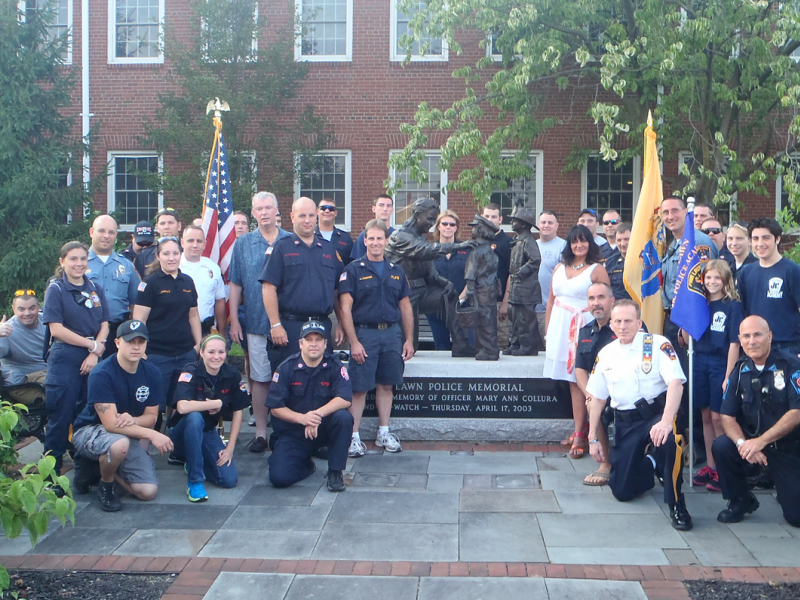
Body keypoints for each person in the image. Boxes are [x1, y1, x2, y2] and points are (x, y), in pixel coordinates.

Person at [586, 300, 693, 531]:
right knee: (622, 491)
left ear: (639, 322)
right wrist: (592, 436)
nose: (622, 326)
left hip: (655, 416)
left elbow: (676, 383)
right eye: (618, 321)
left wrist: (665, 422)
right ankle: (652, 462)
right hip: (625, 424)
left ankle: (676, 504)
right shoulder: (606, 354)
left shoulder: (657, 345)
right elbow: (597, 398)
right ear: (611, 324)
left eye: (628, 321)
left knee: (669, 441)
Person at [71, 320, 173, 511]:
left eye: (141, 342)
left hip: (127, 431)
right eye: (130, 342)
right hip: (90, 429)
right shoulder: (102, 373)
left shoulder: (153, 373)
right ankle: (106, 483)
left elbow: (151, 417)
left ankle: (95, 470)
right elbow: (110, 424)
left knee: (147, 492)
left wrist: (134, 420)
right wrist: (152, 435)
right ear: (117, 343)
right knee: (119, 445)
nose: (136, 347)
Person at [712, 316, 800, 527]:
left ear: (769, 336)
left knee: (796, 518)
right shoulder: (740, 369)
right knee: (723, 446)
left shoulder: (791, 366)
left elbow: (796, 412)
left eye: (758, 334)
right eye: (747, 336)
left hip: (787, 447)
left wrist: (761, 441)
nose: (752, 341)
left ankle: (787, 491)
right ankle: (741, 500)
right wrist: (743, 445)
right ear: (740, 340)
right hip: (753, 444)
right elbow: (727, 416)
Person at [339, 219, 415, 457]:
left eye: (379, 238)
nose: (375, 242)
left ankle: (383, 432)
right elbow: (345, 309)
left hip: (391, 335)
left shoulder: (396, 271)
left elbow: (405, 308)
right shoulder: (353, 270)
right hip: (365, 334)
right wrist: (354, 342)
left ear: (386, 241)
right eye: (370, 238)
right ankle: (353, 437)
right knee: (359, 388)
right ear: (365, 241)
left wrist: (409, 339)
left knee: (386, 384)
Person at [229, 192, 291, 451]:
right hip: (255, 322)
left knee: (289, 378)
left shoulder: (291, 240)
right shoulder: (243, 244)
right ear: (253, 213)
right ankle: (261, 433)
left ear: (277, 210)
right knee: (260, 378)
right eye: (259, 209)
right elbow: (235, 284)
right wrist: (234, 320)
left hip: (288, 323)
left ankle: (287, 431)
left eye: (268, 208)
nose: (264, 212)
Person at [42, 241, 109, 476]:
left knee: (88, 415)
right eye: (73, 259)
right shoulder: (56, 289)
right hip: (66, 356)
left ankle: (84, 471)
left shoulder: (95, 289)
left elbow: (104, 324)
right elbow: (56, 330)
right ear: (62, 262)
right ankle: (51, 474)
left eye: (83, 258)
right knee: (61, 416)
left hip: (93, 356)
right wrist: (91, 345)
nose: (79, 263)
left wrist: (94, 352)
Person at [544, 225, 610, 459]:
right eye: (574, 241)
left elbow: (606, 301)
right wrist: (548, 332)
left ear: (590, 243)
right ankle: (579, 429)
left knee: (581, 380)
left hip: (585, 327)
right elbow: (551, 301)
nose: (578, 245)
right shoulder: (560, 268)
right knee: (568, 381)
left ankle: (583, 434)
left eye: (583, 241)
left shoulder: (596, 269)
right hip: (560, 328)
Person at [266, 321, 353, 492]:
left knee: (344, 417)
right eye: (309, 339)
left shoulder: (335, 366)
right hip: (295, 432)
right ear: (300, 344)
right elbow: (275, 407)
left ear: (325, 344)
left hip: (324, 430)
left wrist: (316, 415)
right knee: (279, 478)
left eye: (318, 340)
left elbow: (345, 398)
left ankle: (335, 471)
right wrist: (302, 419)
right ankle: (306, 463)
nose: (314, 344)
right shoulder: (285, 368)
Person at [261, 196, 344, 371]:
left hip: (322, 326)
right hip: (291, 328)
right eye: (302, 216)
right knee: (290, 381)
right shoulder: (281, 248)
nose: (307, 220)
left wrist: (341, 324)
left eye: (311, 216)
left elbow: (336, 291)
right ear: (292, 217)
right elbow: (268, 287)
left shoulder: (328, 249)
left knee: (323, 379)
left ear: (316, 217)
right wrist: (275, 325)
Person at [384, 197, 474, 351]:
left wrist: (446, 283)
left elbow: (430, 273)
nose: (432, 224)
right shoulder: (401, 237)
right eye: (430, 219)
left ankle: (461, 345)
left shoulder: (420, 238)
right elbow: (425, 250)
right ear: (417, 215)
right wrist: (459, 246)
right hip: (403, 295)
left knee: (449, 294)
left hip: (422, 292)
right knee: (408, 346)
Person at [168, 334, 249, 502]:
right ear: (201, 353)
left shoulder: (231, 374)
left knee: (228, 480)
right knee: (195, 417)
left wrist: (230, 448)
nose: (216, 357)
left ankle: (195, 460)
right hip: (180, 434)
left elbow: (238, 410)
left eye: (221, 352)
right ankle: (195, 481)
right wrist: (216, 403)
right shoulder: (190, 370)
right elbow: (182, 406)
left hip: (207, 431)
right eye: (211, 352)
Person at [688, 260, 744, 492]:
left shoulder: (732, 305)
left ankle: (724, 469)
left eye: (716, 278)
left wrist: (728, 375)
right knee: (705, 416)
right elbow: (687, 336)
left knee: (719, 417)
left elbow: (734, 343)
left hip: (720, 362)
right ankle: (711, 466)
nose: (711, 282)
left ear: (725, 280)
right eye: (708, 278)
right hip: (699, 360)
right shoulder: (699, 303)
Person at [132, 237, 202, 416]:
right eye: (166, 253)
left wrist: (198, 344)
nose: (171, 258)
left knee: (181, 406)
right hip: (158, 355)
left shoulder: (188, 281)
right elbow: (139, 320)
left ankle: (174, 441)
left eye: (175, 253)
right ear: (158, 256)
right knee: (155, 407)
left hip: (185, 353)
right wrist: (141, 350)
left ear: (181, 255)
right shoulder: (149, 283)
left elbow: (193, 315)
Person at [738, 218, 800, 355]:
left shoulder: (793, 271)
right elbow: (743, 312)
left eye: (766, 238)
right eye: (755, 238)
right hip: (755, 347)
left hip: (786, 347)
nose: (760, 244)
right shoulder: (746, 272)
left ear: (777, 239)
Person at [575, 282, 617, 486]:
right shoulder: (585, 332)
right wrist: (589, 394)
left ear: (612, 301)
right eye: (591, 299)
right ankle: (605, 463)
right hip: (600, 394)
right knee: (594, 404)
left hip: (624, 392)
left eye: (601, 298)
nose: (596, 303)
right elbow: (580, 369)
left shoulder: (623, 327)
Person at [86, 215, 141, 359]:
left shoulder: (126, 265)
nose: (106, 236)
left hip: (117, 331)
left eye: (111, 232)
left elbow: (135, 302)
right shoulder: (80, 262)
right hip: (87, 331)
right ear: (92, 232)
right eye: (101, 231)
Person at [501, 207, 544, 356]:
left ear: (524, 224)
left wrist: (521, 273)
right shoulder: (518, 240)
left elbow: (536, 259)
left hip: (526, 289)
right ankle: (516, 343)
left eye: (515, 220)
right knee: (515, 318)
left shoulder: (529, 241)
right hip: (517, 288)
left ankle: (528, 346)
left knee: (526, 319)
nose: (512, 222)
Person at [426, 210, 471, 350]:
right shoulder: (429, 250)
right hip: (437, 307)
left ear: (456, 228)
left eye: (452, 224)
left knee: (467, 346)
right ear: (438, 226)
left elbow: (472, 277)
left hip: (462, 306)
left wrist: (462, 297)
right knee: (442, 347)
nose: (448, 227)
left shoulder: (467, 249)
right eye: (444, 223)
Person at [179, 226, 227, 337]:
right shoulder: (174, 267)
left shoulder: (213, 268)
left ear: (204, 244)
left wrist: (222, 331)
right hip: (179, 330)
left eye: (199, 241)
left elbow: (219, 300)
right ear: (182, 242)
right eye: (190, 240)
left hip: (206, 330)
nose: (195, 245)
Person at [0, 291, 47, 385]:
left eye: (32, 308)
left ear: (38, 307)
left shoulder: (48, 322)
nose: (27, 313)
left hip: (48, 372)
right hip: (22, 382)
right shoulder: (6, 330)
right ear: (14, 309)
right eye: (21, 309)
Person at [481, 203, 511, 350]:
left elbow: (512, 274)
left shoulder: (508, 242)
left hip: (499, 301)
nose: (490, 219)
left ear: (500, 219)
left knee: (501, 341)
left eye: (494, 217)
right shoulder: (478, 240)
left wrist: (505, 302)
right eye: (487, 216)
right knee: (482, 341)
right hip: (480, 300)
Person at [536, 210, 566, 346]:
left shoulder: (564, 246)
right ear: (538, 225)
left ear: (557, 225)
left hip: (550, 309)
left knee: (550, 347)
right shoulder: (532, 245)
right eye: (543, 222)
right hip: (529, 309)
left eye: (550, 222)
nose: (546, 225)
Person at [133, 208, 182, 278]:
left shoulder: (186, 252)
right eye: (162, 223)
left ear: (179, 226)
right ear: (157, 227)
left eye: (170, 223)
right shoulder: (144, 255)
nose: (166, 227)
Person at [350, 194, 395, 262]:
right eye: (381, 205)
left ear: (392, 210)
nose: (385, 209)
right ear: (374, 209)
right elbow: (357, 262)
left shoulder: (397, 236)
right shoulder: (365, 235)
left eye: (388, 206)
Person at [317, 198, 354, 266]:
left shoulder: (345, 239)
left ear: (336, 213)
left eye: (331, 209)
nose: (327, 211)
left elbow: (352, 264)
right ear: (317, 211)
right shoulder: (309, 236)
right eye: (323, 208)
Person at [603, 222, 631, 300]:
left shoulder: (644, 261)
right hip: (617, 307)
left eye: (626, 239)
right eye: (619, 240)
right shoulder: (610, 263)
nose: (622, 244)